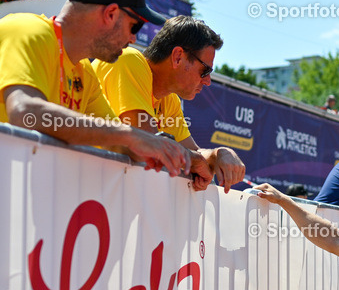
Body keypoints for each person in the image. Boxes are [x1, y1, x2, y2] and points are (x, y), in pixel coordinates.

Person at [0, 0, 201, 184]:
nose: (133, 40)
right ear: (110, 14)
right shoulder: (26, 30)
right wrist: (131, 137)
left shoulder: (85, 73)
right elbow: (25, 112)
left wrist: (202, 160)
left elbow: (121, 143)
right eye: (135, 27)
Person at [92, 15, 245, 190]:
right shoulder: (128, 59)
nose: (208, 80)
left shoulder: (169, 98)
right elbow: (147, 145)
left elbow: (192, 151)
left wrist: (219, 154)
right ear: (178, 56)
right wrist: (193, 160)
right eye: (205, 70)